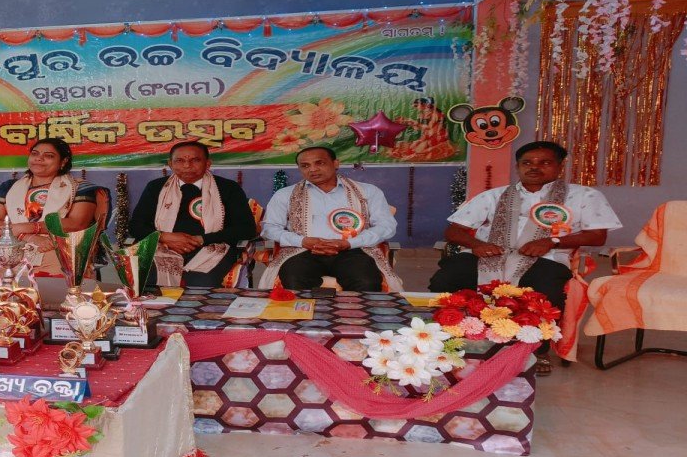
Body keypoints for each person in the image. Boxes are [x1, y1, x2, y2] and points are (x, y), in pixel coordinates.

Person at [429, 140, 621, 374]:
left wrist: (552, 241)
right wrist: (476, 244)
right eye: (527, 163)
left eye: (545, 162)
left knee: (544, 290)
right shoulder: (494, 196)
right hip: (489, 253)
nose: (534, 167)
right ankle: (455, 338)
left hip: (547, 256)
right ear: (518, 167)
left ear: (560, 166)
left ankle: (536, 350)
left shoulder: (584, 196)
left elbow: (597, 236)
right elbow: (453, 230)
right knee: (445, 281)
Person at [259, 146, 401, 291]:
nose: (313, 169)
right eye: (305, 166)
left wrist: (349, 243)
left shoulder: (368, 191)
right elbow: (269, 229)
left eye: (319, 163)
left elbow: (386, 226)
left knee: (366, 281)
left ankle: (352, 314)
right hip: (302, 251)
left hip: (354, 250)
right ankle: (304, 313)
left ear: (336, 163)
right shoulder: (285, 195)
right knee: (294, 279)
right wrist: (303, 241)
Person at [130, 141, 256, 288]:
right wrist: (164, 237)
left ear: (208, 164)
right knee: (150, 282)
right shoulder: (156, 187)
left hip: (214, 248)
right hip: (163, 246)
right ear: (170, 164)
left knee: (199, 284)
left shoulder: (228, 188)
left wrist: (201, 239)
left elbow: (246, 228)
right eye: (180, 160)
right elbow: (135, 225)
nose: (187, 166)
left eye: (195, 160)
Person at [0, 137, 99, 278]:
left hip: (54, 245)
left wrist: (27, 227)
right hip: (11, 243)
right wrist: (27, 236)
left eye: (48, 156)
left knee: (51, 277)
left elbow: (76, 223)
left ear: (63, 162)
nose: (39, 159)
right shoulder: (9, 187)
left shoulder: (79, 187)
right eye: (35, 154)